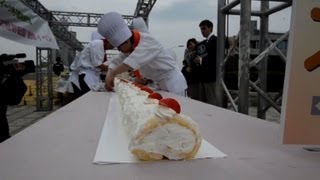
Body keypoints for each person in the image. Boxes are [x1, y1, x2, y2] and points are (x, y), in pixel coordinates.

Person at [97, 12, 187, 96]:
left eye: (119, 47)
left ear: (126, 41)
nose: (120, 51)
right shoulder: (131, 48)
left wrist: (113, 74)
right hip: (158, 83)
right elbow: (116, 61)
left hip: (172, 83)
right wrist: (109, 75)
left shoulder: (148, 42)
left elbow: (130, 62)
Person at [68, 30, 112, 98]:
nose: (113, 47)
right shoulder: (97, 44)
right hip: (86, 76)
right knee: (87, 99)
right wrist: (114, 70)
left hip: (89, 75)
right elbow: (98, 64)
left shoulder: (98, 46)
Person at [196, 19, 218, 105]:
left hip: (212, 77)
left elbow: (214, 57)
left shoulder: (215, 40)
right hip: (203, 77)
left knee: (211, 101)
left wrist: (201, 59)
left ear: (210, 28)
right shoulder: (203, 43)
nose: (202, 31)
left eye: (204, 28)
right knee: (204, 102)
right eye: (201, 29)